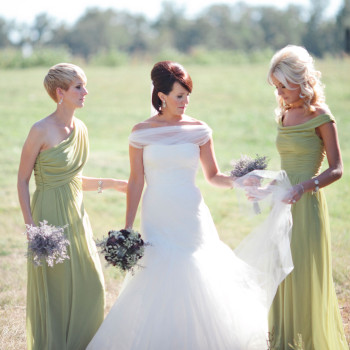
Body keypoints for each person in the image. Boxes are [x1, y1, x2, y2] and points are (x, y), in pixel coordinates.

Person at [87, 61, 294, 350]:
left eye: (187, 95)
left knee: (195, 268)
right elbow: (136, 181)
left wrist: (239, 181)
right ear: (161, 96)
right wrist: (128, 226)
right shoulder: (141, 132)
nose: (185, 102)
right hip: (157, 212)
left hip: (190, 212)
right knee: (158, 273)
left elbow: (214, 176)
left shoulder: (199, 130)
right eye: (179, 96)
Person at [17, 63, 127, 350]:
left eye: (84, 86)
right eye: (78, 87)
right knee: (56, 290)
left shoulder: (81, 129)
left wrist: (114, 184)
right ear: (60, 92)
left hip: (77, 217)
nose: (85, 92)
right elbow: (22, 180)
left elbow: (74, 180)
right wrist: (32, 229)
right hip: (48, 218)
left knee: (92, 285)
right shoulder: (39, 130)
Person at [267, 45, 348, 349]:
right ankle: (285, 341)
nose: (281, 92)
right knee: (281, 271)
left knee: (302, 270)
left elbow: (337, 169)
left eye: (283, 85)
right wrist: (266, 185)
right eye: (276, 87)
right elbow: (287, 166)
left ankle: (310, 341)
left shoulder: (322, 116)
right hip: (282, 202)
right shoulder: (284, 115)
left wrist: (304, 187)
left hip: (307, 204)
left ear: (299, 80)